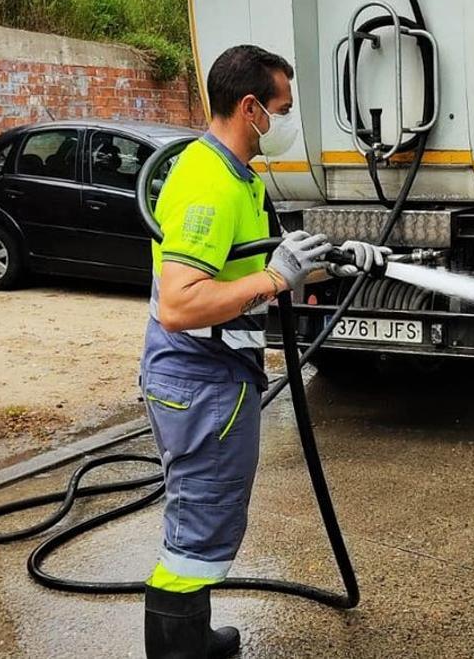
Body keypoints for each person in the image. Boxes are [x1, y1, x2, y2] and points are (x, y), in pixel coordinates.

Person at [141, 44, 387, 658]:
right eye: (282, 108)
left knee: (210, 519)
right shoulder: (207, 186)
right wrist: (279, 278)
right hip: (200, 382)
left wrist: (333, 263)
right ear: (250, 107)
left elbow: (248, 268)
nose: (286, 121)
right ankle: (178, 651)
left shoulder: (235, 176)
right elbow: (181, 303)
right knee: (199, 525)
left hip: (216, 376)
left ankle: (194, 636)